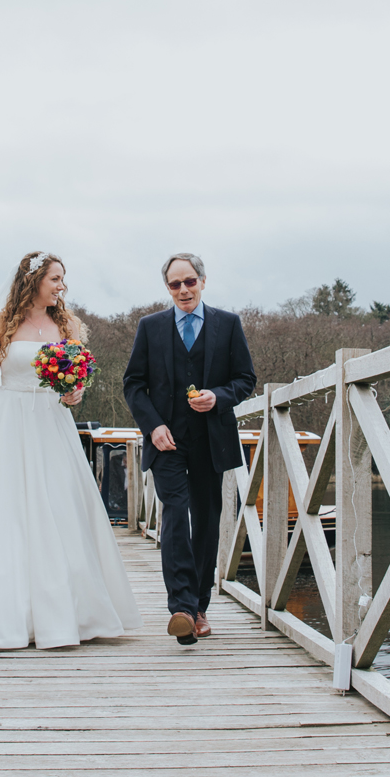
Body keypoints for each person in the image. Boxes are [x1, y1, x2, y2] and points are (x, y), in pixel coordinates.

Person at [0, 251, 142, 649]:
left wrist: (74, 392)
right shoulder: (0, 323)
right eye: (55, 278)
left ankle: (70, 615)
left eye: (63, 279)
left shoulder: (68, 324)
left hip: (52, 423)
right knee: (6, 513)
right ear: (34, 280)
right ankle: (1, 616)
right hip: (10, 422)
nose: (62, 286)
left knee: (62, 509)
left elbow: (74, 382)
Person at [122, 253, 258, 645]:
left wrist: (218, 396)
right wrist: (154, 426)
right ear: (167, 288)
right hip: (166, 442)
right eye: (174, 284)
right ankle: (180, 608)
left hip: (211, 441)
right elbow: (133, 384)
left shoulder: (228, 324)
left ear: (202, 281)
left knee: (208, 519)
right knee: (176, 515)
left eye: (189, 281)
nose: (183, 290)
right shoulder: (150, 327)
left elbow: (245, 379)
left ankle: (199, 606)